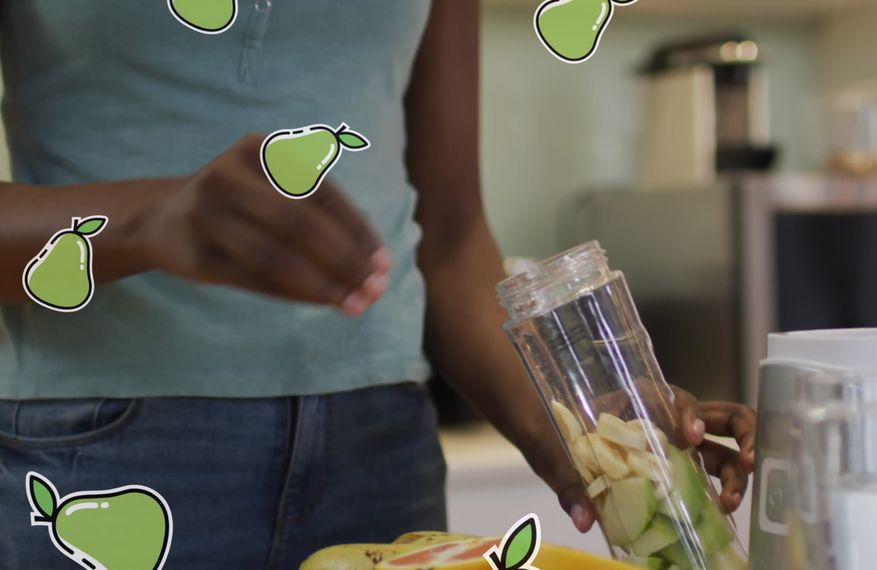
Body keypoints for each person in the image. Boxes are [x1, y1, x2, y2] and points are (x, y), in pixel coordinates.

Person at [0, 1, 756, 568]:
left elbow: (452, 236)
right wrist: (147, 219)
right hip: (95, 448)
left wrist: (579, 431)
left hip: (379, 454)